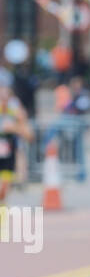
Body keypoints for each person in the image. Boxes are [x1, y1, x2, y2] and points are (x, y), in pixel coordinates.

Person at [0, 69, 33, 201]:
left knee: (3, 191)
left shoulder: (15, 110)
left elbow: (29, 135)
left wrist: (15, 128)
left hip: (8, 157)